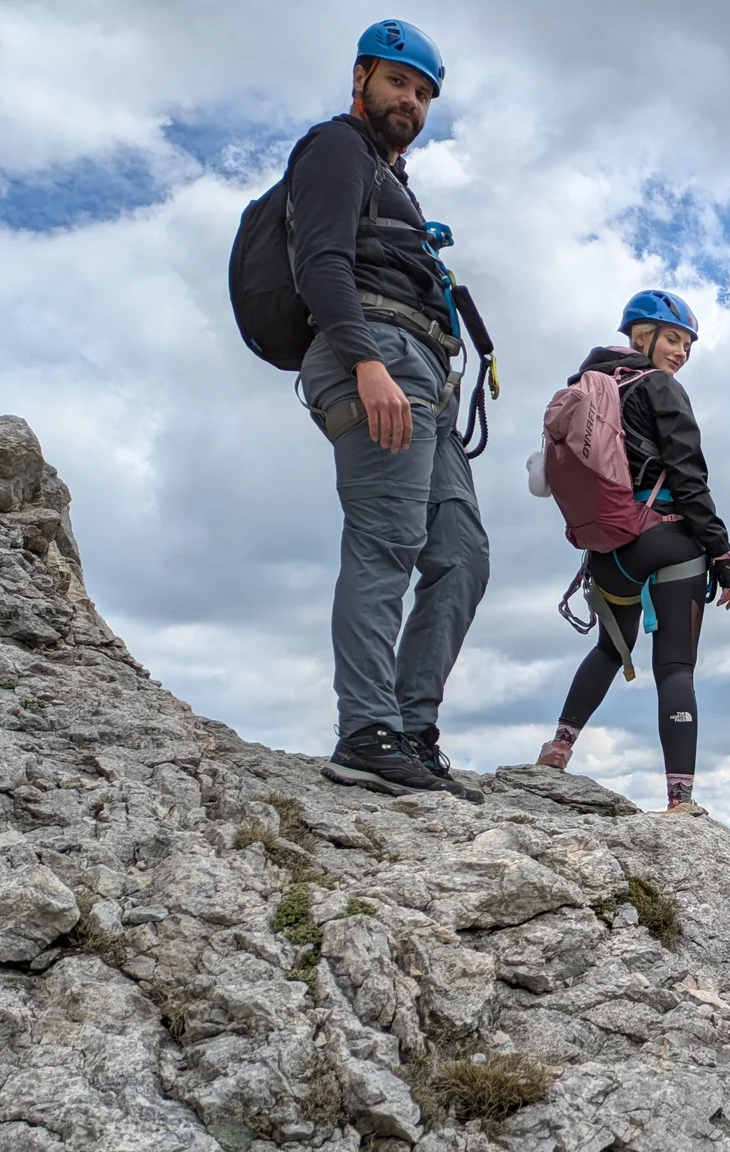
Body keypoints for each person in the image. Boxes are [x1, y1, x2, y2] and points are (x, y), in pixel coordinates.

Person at [295, 20, 489, 801]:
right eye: (398, 82)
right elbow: (320, 260)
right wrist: (364, 360)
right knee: (388, 541)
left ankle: (410, 728)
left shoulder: (392, 179)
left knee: (462, 555)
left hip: (426, 371)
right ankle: (364, 730)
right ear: (362, 78)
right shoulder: (336, 148)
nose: (410, 100)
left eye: (422, 92)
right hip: (374, 351)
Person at [534, 292, 730, 813]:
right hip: (669, 540)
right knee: (675, 670)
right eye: (673, 339)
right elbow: (690, 476)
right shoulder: (659, 387)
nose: (681, 353)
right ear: (640, 336)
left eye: (688, 345)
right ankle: (680, 801)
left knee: (611, 647)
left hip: (608, 551)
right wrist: (722, 555)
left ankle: (559, 746)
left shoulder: (588, 387)